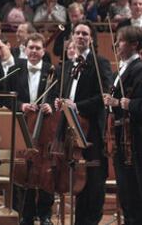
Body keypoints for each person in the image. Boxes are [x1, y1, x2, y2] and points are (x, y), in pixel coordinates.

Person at [53, 21, 112, 225]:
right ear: (72, 37)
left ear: (91, 38)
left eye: (85, 33)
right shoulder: (68, 65)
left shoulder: (99, 62)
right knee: (78, 182)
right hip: (70, 130)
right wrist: (60, 101)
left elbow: (103, 96)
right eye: (77, 33)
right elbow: (63, 94)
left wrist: (76, 106)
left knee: (94, 182)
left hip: (91, 130)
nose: (80, 36)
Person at [6, 33, 55, 225]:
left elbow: (58, 96)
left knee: (46, 171)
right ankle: (26, 215)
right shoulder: (14, 69)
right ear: (25, 49)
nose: (34, 51)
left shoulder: (52, 71)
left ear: (43, 51)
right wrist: (21, 106)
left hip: (45, 128)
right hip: (23, 125)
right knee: (23, 169)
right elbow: (6, 97)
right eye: (31, 47)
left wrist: (50, 105)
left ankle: (45, 214)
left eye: (38, 48)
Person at [103, 26, 142, 225]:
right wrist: (112, 100)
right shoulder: (122, 68)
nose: (117, 44)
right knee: (126, 191)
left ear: (135, 45)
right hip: (121, 137)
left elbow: (136, 102)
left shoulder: (139, 68)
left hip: (134, 140)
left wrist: (122, 103)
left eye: (121, 41)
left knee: (133, 191)